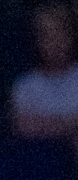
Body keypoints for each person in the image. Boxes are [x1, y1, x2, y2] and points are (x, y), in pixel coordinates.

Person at [14, 3, 78, 141]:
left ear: (71, 37)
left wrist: (45, 123)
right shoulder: (26, 85)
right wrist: (69, 124)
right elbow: (23, 126)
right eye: (47, 36)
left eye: (60, 34)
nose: (54, 42)